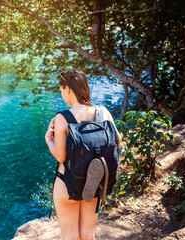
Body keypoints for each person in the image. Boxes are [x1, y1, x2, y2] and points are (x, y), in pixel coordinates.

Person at [45, 69, 122, 240]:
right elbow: (118, 142)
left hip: (68, 183)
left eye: (61, 90)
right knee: (88, 233)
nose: (62, 94)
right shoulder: (103, 112)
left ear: (68, 89)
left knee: (70, 235)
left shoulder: (63, 117)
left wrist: (48, 140)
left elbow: (60, 157)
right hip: (94, 182)